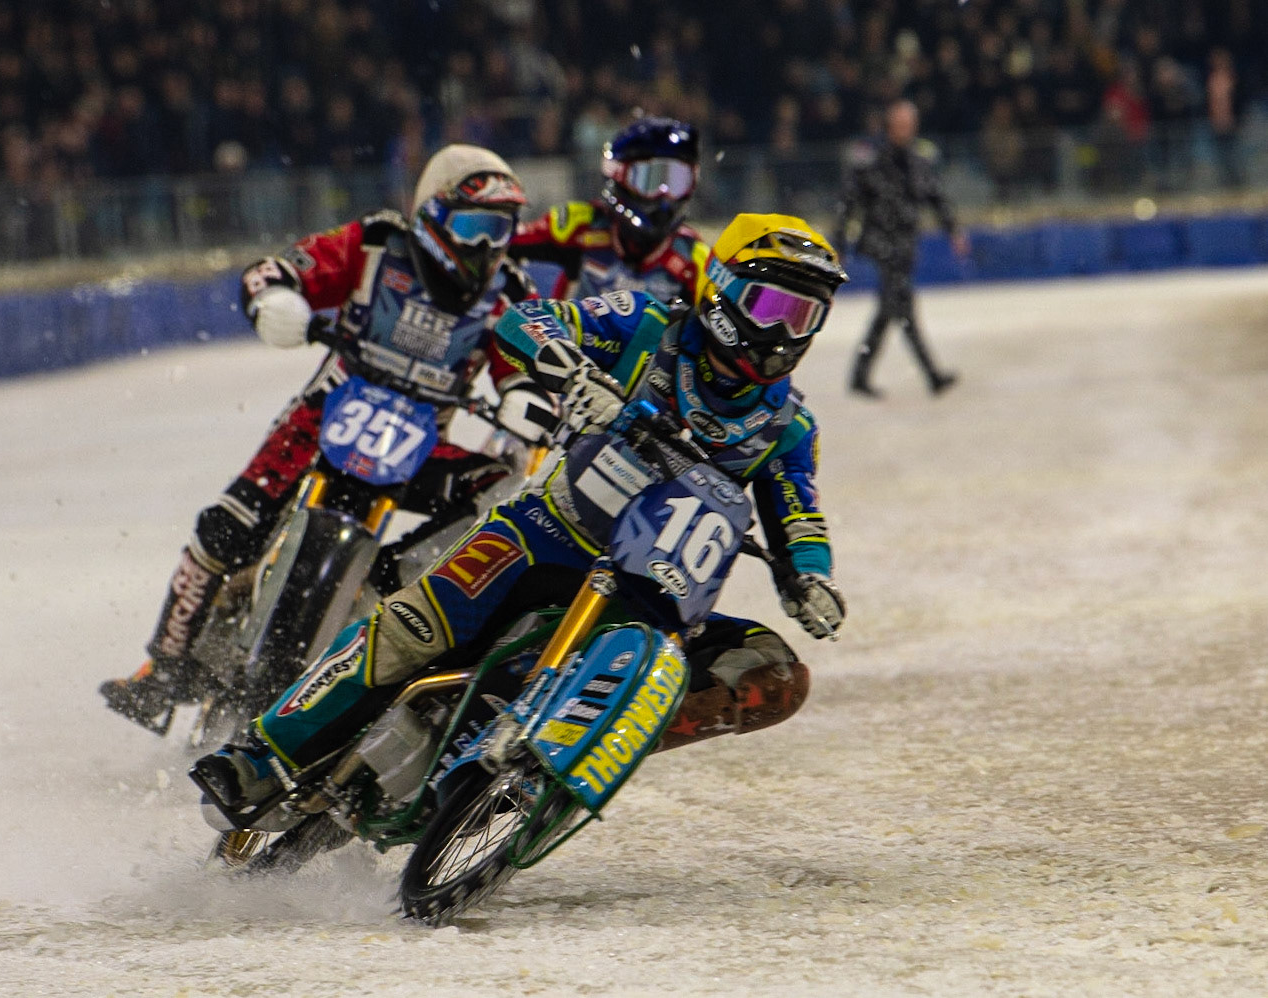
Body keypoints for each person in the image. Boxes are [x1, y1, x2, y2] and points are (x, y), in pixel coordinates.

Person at [192, 213, 849, 816]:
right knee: (413, 627)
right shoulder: (648, 324)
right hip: (547, 533)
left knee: (772, 670)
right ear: (722, 288)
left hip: (654, 597)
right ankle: (261, 753)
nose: (785, 332)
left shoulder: (789, 427)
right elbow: (531, 322)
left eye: (805, 316)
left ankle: (587, 746)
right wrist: (571, 373)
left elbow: (798, 515)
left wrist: (809, 576)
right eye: (772, 307)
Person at [100, 144, 557, 733]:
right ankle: (164, 667)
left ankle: (395, 579)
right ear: (433, 215)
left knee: (505, 479)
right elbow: (277, 269)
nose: (485, 246)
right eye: (472, 226)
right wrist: (275, 300)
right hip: (324, 416)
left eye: (500, 229)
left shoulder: (511, 293)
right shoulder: (375, 244)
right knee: (225, 527)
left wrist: (526, 396)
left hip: (422, 441)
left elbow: (526, 360)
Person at [833, 99, 966, 398]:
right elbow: (848, 202)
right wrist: (838, 243)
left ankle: (859, 374)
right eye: (901, 123)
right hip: (882, 244)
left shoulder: (919, 160)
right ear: (889, 125)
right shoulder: (870, 160)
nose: (906, 129)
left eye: (910, 123)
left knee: (889, 309)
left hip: (906, 245)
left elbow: (936, 197)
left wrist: (953, 230)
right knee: (902, 307)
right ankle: (931, 374)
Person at [509, 116, 709, 306]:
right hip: (568, 340)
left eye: (677, 181)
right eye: (649, 179)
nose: (663, 195)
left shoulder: (694, 258)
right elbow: (504, 243)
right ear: (618, 175)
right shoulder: (580, 224)